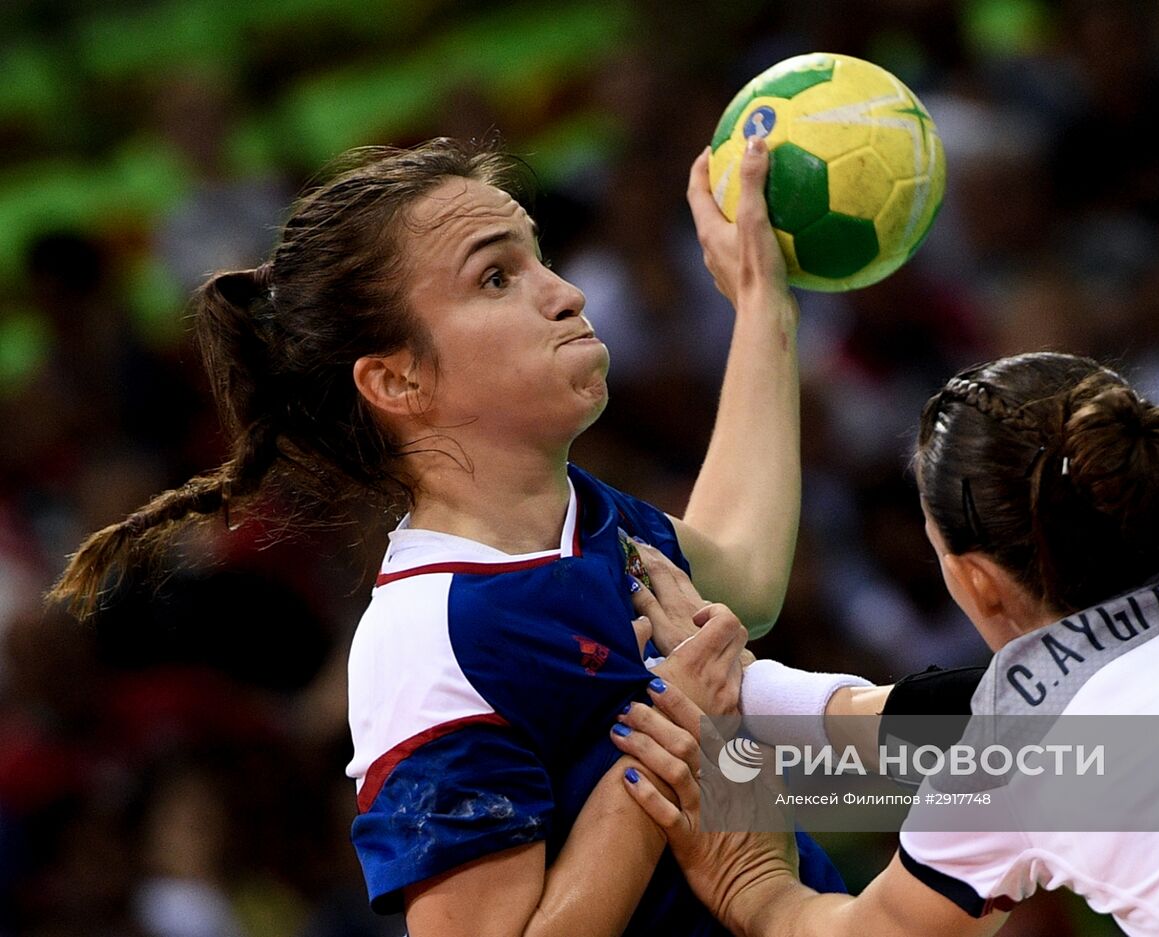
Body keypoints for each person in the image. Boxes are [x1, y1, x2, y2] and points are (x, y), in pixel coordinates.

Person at [47, 136, 856, 935]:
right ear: (397, 378)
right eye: (498, 276)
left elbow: (741, 578)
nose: (568, 292)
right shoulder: (426, 639)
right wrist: (660, 751)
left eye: (541, 258)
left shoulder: (588, 518)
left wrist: (761, 299)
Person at [612, 351, 1159, 937]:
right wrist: (752, 688)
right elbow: (1025, 704)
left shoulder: (1019, 751)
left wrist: (752, 883)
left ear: (978, 579)